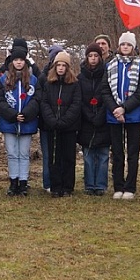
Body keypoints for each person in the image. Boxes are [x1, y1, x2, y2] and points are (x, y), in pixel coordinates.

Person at [101, 34, 140, 199]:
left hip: (133, 115)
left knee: (133, 152)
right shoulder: (110, 66)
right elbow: (105, 90)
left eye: (129, 45)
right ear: (119, 47)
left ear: (134, 47)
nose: (126, 47)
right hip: (113, 115)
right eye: (123, 44)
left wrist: (124, 108)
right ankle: (118, 186)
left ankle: (130, 187)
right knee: (117, 152)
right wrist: (115, 109)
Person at [0, 49, 39, 196]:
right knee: (12, 153)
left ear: (25, 61)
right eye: (16, 60)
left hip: (27, 121)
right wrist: (12, 115)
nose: (19, 62)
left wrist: (26, 114)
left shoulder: (33, 79)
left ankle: (23, 182)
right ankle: (13, 181)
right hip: (9, 122)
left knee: (24, 153)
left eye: (21, 59)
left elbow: (37, 100)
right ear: (12, 62)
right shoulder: (4, 79)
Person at [38, 51, 81, 197]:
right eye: (59, 65)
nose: (61, 68)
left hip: (68, 127)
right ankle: (55, 186)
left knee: (68, 157)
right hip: (52, 127)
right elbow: (44, 103)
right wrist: (52, 120)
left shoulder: (74, 84)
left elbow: (76, 104)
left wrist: (64, 121)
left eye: (64, 65)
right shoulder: (49, 83)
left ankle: (68, 187)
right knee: (54, 157)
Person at [77, 43, 110, 196]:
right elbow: (79, 98)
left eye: (96, 56)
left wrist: (101, 114)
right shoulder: (81, 76)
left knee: (103, 154)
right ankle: (90, 184)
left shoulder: (107, 73)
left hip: (103, 118)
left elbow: (108, 95)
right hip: (86, 120)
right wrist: (88, 115)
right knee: (89, 154)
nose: (93, 59)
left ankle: (101, 185)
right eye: (90, 56)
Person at [38, 45, 63, 192]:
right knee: (47, 153)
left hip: (63, 122)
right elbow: (41, 100)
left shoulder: (67, 77)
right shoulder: (44, 77)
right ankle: (47, 182)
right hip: (46, 122)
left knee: (60, 153)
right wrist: (49, 118)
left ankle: (59, 180)